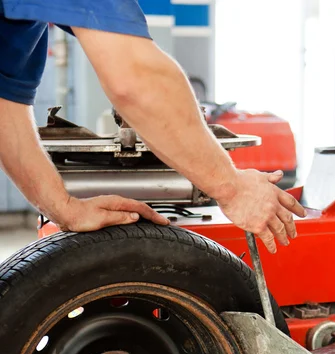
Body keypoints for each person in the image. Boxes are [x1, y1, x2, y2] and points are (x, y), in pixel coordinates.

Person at [0, 0, 306, 254]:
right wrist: (232, 188)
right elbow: (135, 80)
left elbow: (5, 110)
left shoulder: (21, 24)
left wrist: (62, 207)